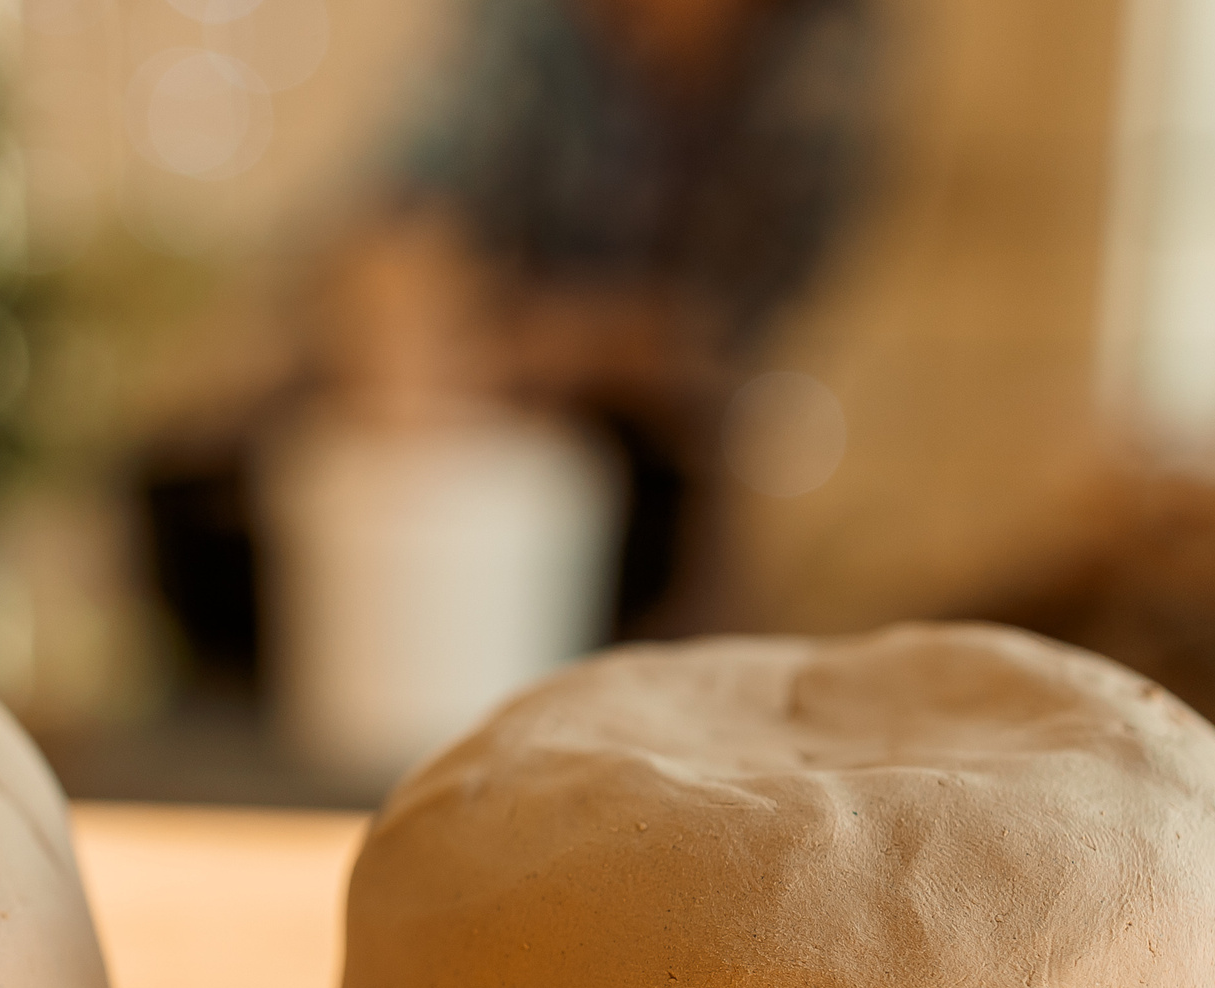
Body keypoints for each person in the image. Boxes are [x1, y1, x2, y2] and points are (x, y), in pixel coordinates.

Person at [329, 0, 881, 636]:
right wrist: (410, 348)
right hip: (505, 437)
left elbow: (723, 325)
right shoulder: (529, 29)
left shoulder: (825, 54)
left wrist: (543, 344)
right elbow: (397, 220)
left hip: (679, 453)